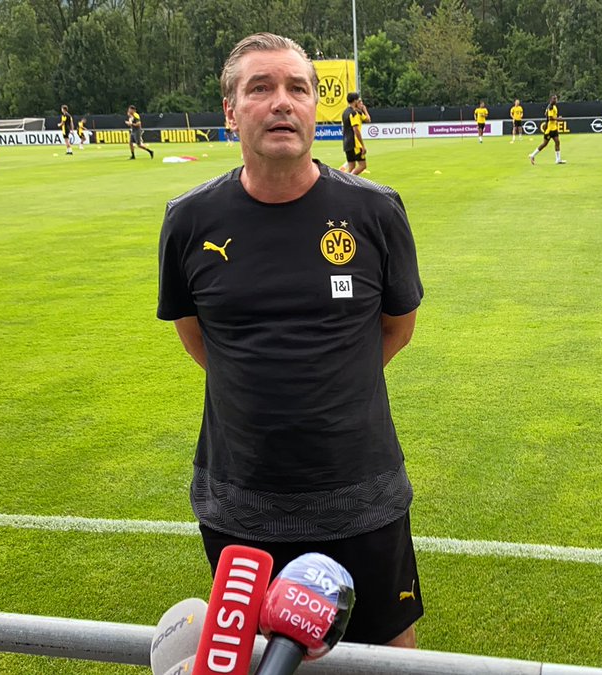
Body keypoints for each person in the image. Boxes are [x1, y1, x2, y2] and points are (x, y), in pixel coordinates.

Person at [156, 32, 424, 649]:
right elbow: (198, 337)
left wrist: (333, 382)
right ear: (231, 111)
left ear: (314, 106)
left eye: (297, 88)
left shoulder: (375, 211)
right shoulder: (189, 219)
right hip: (240, 498)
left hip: (361, 491)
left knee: (387, 652)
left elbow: (396, 328)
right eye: (261, 88)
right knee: (256, 655)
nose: (282, 101)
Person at [529, 94, 565, 165]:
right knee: (544, 144)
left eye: (556, 99)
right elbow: (550, 117)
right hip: (549, 129)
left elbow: (545, 113)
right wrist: (558, 118)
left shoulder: (552, 106)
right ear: (551, 100)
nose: (556, 100)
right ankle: (532, 155)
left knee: (557, 142)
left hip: (554, 128)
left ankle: (558, 159)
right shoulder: (550, 107)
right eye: (554, 99)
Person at [340, 91, 369, 175]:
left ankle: (345, 181)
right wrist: (362, 145)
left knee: (351, 167)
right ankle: (347, 180)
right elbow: (356, 130)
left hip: (346, 143)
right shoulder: (354, 113)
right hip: (354, 143)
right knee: (362, 165)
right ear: (355, 101)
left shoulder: (345, 112)